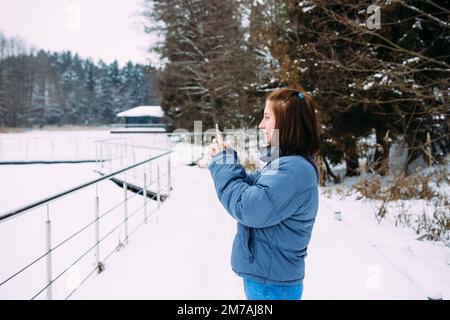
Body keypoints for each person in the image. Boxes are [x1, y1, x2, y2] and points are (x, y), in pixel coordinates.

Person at [208, 88, 320, 300]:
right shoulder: (286, 165)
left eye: (267, 117)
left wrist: (223, 164)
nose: (261, 125)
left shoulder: (293, 171)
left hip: (272, 286)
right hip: (270, 280)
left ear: (286, 123)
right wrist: (226, 158)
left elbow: (248, 207)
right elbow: (252, 186)